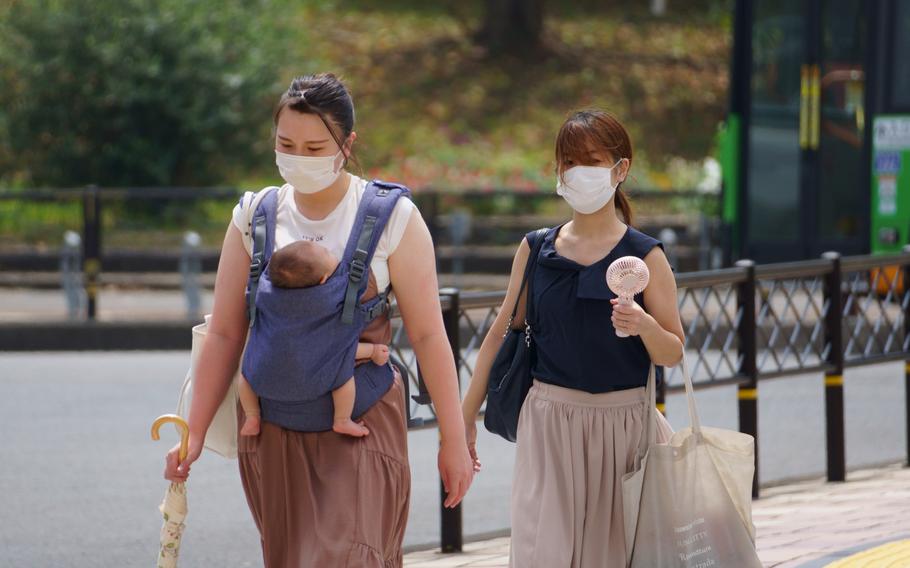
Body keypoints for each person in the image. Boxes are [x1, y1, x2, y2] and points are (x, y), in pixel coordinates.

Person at [163, 73, 475, 567]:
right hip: (271, 430)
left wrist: (454, 441)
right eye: (286, 144)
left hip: (363, 422)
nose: (299, 157)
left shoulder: (393, 217)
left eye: (314, 146)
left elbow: (429, 335)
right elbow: (225, 331)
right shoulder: (254, 216)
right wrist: (194, 431)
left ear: (346, 146)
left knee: (348, 555)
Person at [462, 109, 685, 568]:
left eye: (591, 159)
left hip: (625, 430)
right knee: (541, 553)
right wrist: (463, 419)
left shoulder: (645, 256)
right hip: (549, 424)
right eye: (568, 161)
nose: (577, 171)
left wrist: (642, 324)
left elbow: (673, 352)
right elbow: (502, 332)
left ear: (620, 170)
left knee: (617, 556)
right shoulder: (536, 248)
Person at [237, 239, 391, 438]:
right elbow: (342, 349)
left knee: (246, 375)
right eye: (327, 252)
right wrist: (373, 351)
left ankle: (251, 415)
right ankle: (342, 419)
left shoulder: (268, 296)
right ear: (323, 280)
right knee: (342, 379)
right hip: (316, 383)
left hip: (265, 379)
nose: (330, 251)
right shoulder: (327, 302)